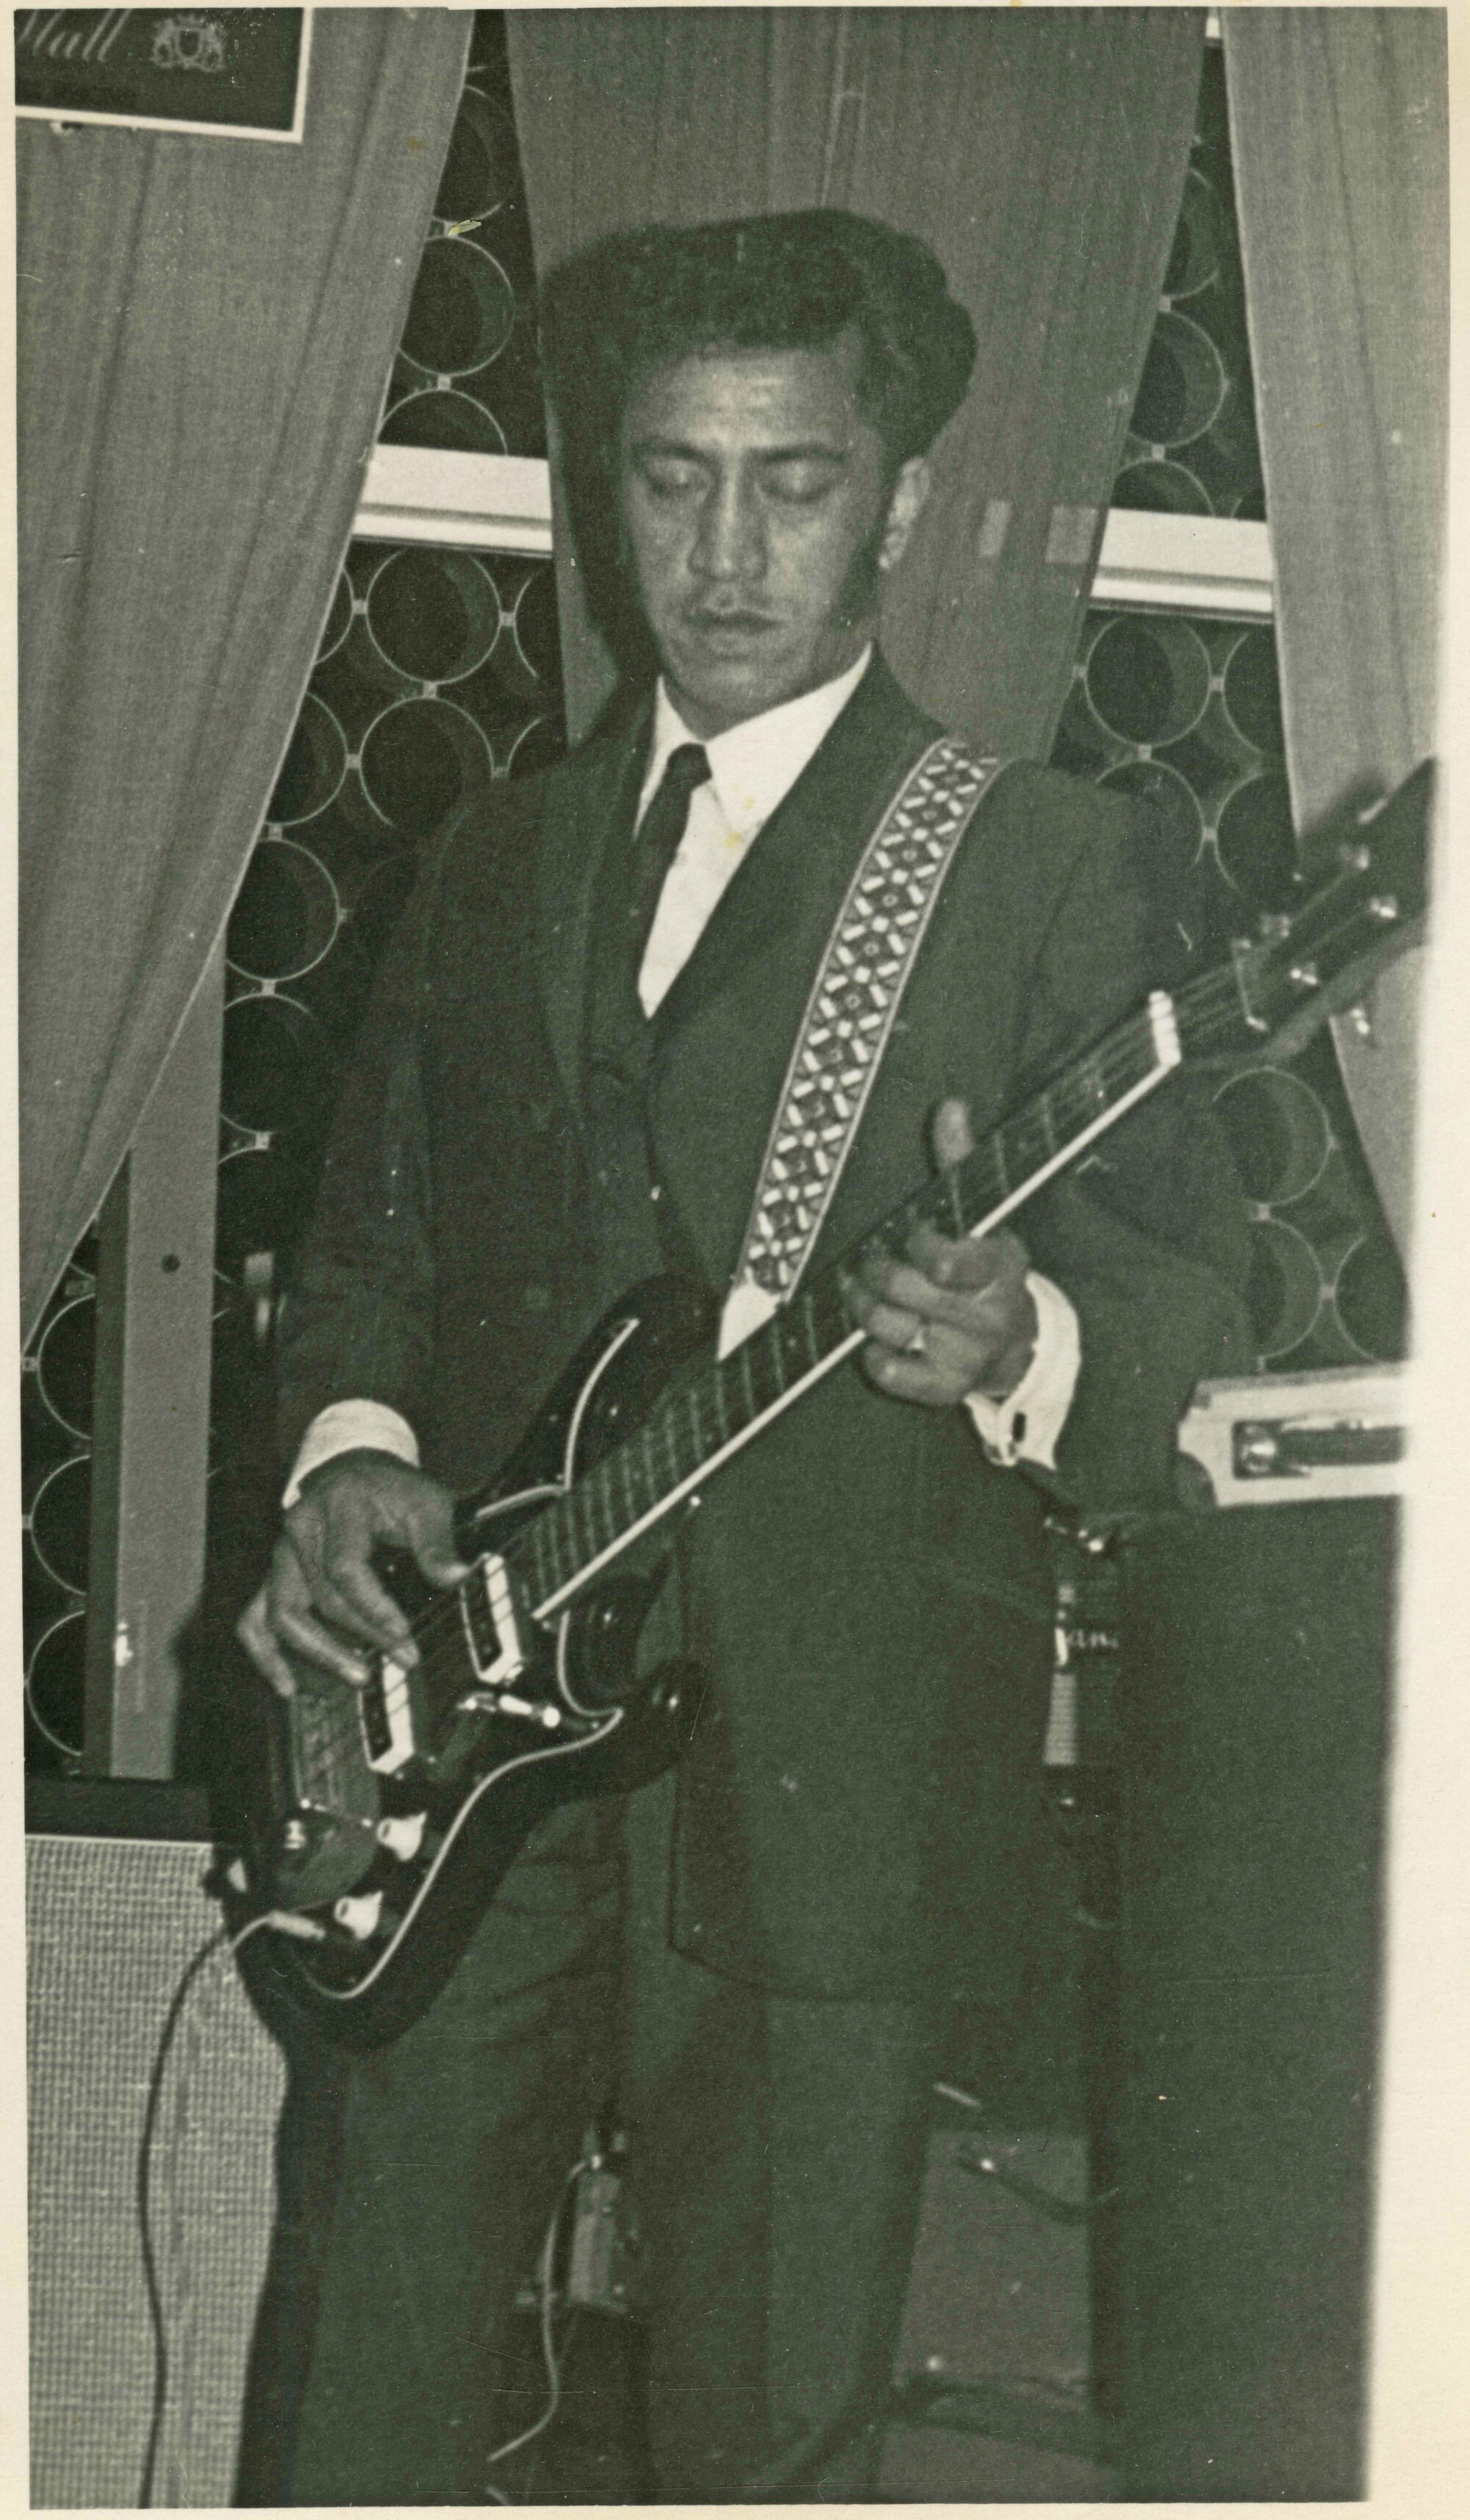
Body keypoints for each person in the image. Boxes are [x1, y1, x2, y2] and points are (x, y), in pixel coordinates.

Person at [237, 209, 1250, 2505]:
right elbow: (367, 1253)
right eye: (670, 478)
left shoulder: (1045, 863)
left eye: (791, 482)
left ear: (898, 502)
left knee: (763, 2447)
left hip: (833, 1793)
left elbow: (1187, 1331)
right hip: (468, 1756)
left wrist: (1021, 1338)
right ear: (608, 494)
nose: (720, 545)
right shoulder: (491, 859)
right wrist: (355, 1453)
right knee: (358, 2407)